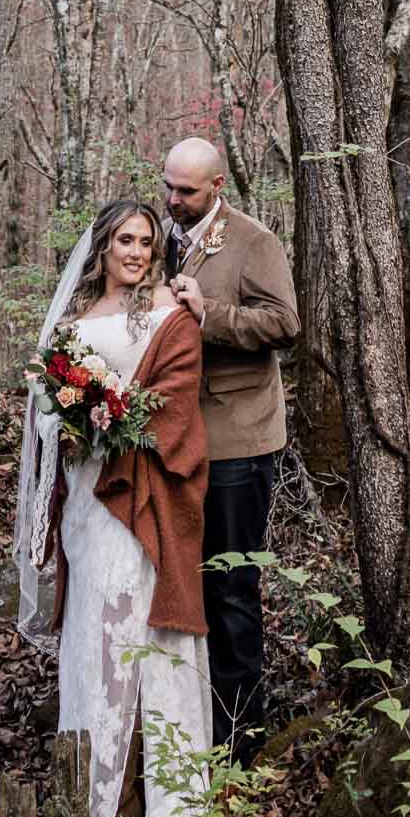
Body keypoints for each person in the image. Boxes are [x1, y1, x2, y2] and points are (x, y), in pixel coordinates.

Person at [14, 197, 212, 817]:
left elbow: (176, 406)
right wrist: (71, 418)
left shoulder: (172, 317)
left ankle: (168, 802)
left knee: (143, 633)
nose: (136, 252)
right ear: (103, 248)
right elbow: (50, 402)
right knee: (94, 633)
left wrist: (112, 416)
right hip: (86, 497)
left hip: (143, 495)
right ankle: (97, 799)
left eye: (147, 242)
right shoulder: (73, 320)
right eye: (125, 240)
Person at [161, 136, 300, 761]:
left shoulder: (253, 242)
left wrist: (209, 312)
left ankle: (242, 736)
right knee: (185, 584)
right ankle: (189, 718)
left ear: (217, 186)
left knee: (232, 584)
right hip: (176, 439)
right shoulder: (161, 235)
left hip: (240, 441)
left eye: (186, 191)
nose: (174, 199)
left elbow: (284, 323)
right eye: (169, 186)